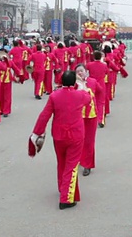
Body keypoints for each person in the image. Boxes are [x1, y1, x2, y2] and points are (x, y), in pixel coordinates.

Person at [30, 70, 91, 210]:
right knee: (72, 165)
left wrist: (37, 132)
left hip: (59, 134)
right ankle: (66, 198)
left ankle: (62, 187)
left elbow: (44, 115)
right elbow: (88, 99)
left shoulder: (54, 95)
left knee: (61, 162)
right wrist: (81, 86)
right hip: (76, 135)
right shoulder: (80, 95)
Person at [75, 64, 100, 177]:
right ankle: (80, 158)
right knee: (79, 140)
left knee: (89, 141)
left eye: (81, 71)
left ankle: (87, 165)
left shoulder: (92, 81)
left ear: (86, 71)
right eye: (77, 71)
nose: (80, 73)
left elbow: (100, 91)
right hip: (78, 116)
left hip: (91, 116)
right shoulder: (74, 84)